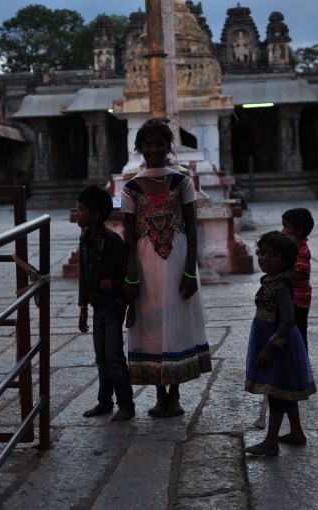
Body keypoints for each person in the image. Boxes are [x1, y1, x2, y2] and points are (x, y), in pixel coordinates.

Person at [121, 118, 211, 418]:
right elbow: (130, 234)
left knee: (176, 318)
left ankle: (175, 394)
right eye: (148, 144)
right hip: (145, 262)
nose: (154, 149)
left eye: (160, 144)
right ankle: (159, 393)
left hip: (177, 259)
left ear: (167, 147)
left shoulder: (181, 182)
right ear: (140, 148)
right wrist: (131, 273)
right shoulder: (131, 188)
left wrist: (189, 270)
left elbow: (192, 226)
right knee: (152, 323)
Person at [244, 231, 316, 456]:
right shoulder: (270, 280)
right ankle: (296, 432)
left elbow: (288, 320)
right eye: (261, 253)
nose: (264, 258)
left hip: (278, 342)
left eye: (272, 255)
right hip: (267, 335)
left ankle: (271, 441)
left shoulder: (281, 286)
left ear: (285, 260)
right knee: (284, 389)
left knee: (276, 393)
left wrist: (270, 347)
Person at [76, 185, 135, 422]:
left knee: (113, 355)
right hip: (97, 305)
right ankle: (104, 400)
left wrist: (131, 305)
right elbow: (83, 276)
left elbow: (127, 274)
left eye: (81, 210)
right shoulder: (84, 239)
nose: (77, 214)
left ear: (95, 215)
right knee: (100, 355)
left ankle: (126, 403)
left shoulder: (111, 240)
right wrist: (82, 309)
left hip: (114, 304)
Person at [281, 208, 314, 350]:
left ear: (299, 230)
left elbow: (301, 274)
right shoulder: (293, 247)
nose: (283, 231)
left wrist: (281, 275)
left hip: (298, 300)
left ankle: (301, 363)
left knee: (298, 333)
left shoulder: (302, 250)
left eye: (286, 226)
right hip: (292, 298)